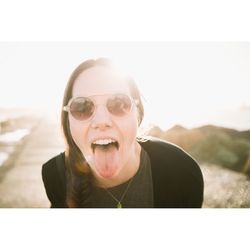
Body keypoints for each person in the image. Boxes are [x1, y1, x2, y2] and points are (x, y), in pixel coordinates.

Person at [42, 58, 204, 208]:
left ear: (138, 113)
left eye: (118, 103)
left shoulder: (182, 172)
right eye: (82, 107)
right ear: (67, 118)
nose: (101, 121)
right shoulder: (56, 176)